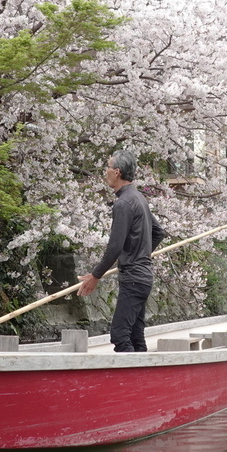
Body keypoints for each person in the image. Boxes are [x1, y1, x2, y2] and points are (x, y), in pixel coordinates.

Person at [78, 150, 166, 352]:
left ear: (117, 172)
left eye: (108, 167)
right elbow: (159, 232)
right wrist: (140, 254)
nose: (105, 172)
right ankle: (142, 379)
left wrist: (95, 276)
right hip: (143, 276)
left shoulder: (124, 203)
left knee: (119, 334)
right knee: (135, 335)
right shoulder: (138, 198)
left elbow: (115, 246)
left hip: (134, 278)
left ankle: (131, 380)